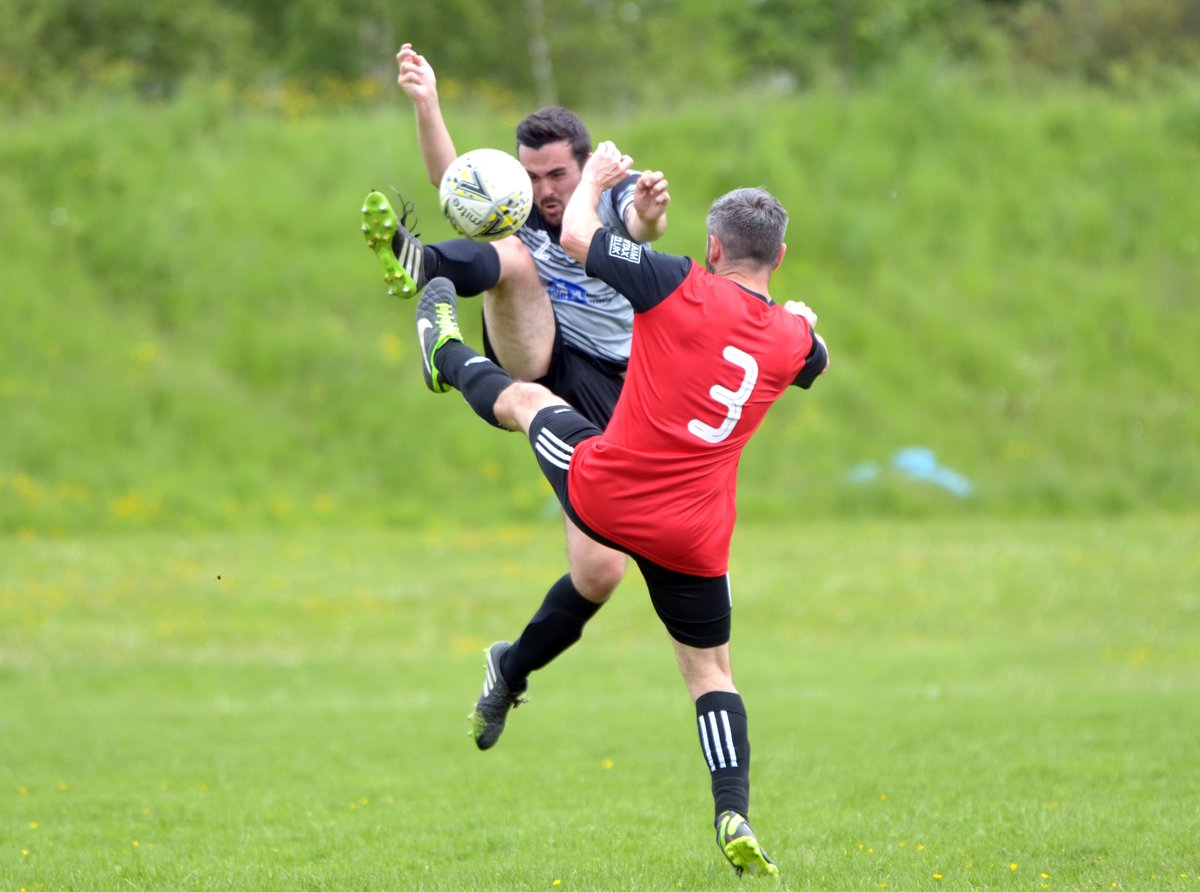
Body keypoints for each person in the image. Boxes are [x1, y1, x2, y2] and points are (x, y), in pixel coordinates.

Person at [401, 140, 830, 876]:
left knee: (529, 400)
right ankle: (733, 811)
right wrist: (805, 320)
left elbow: (576, 238)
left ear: (715, 245)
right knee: (711, 674)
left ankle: (440, 351)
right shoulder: (793, 342)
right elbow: (816, 358)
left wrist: (596, 181)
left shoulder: (679, 285)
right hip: (695, 538)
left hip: (613, 490)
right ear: (782, 255)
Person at [362, 44, 671, 695]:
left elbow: (643, 226)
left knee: (599, 575)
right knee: (510, 252)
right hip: (543, 361)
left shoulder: (606, 203)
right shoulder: (522, 210)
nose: (544, 190)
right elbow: (458, 187)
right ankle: (422, 265)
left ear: (584, 167)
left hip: (618, 393)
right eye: (533, 175)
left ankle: (511, 669)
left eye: (557, 174)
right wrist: (428, 103)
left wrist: (647, 206)